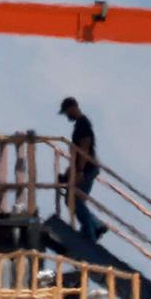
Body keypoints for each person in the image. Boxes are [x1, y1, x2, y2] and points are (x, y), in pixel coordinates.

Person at [60, 97, 104, 238]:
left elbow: (84, 148)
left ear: (73, 107)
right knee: (72, 198)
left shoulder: (83, 124)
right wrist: (69, 172)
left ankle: (90, 233)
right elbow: (77, 153)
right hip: (85, 168)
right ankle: (96, 225)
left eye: (67, 112)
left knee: (74, 199)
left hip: (87, 169)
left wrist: (79, 171)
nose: (67, 115)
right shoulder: (80, 124)